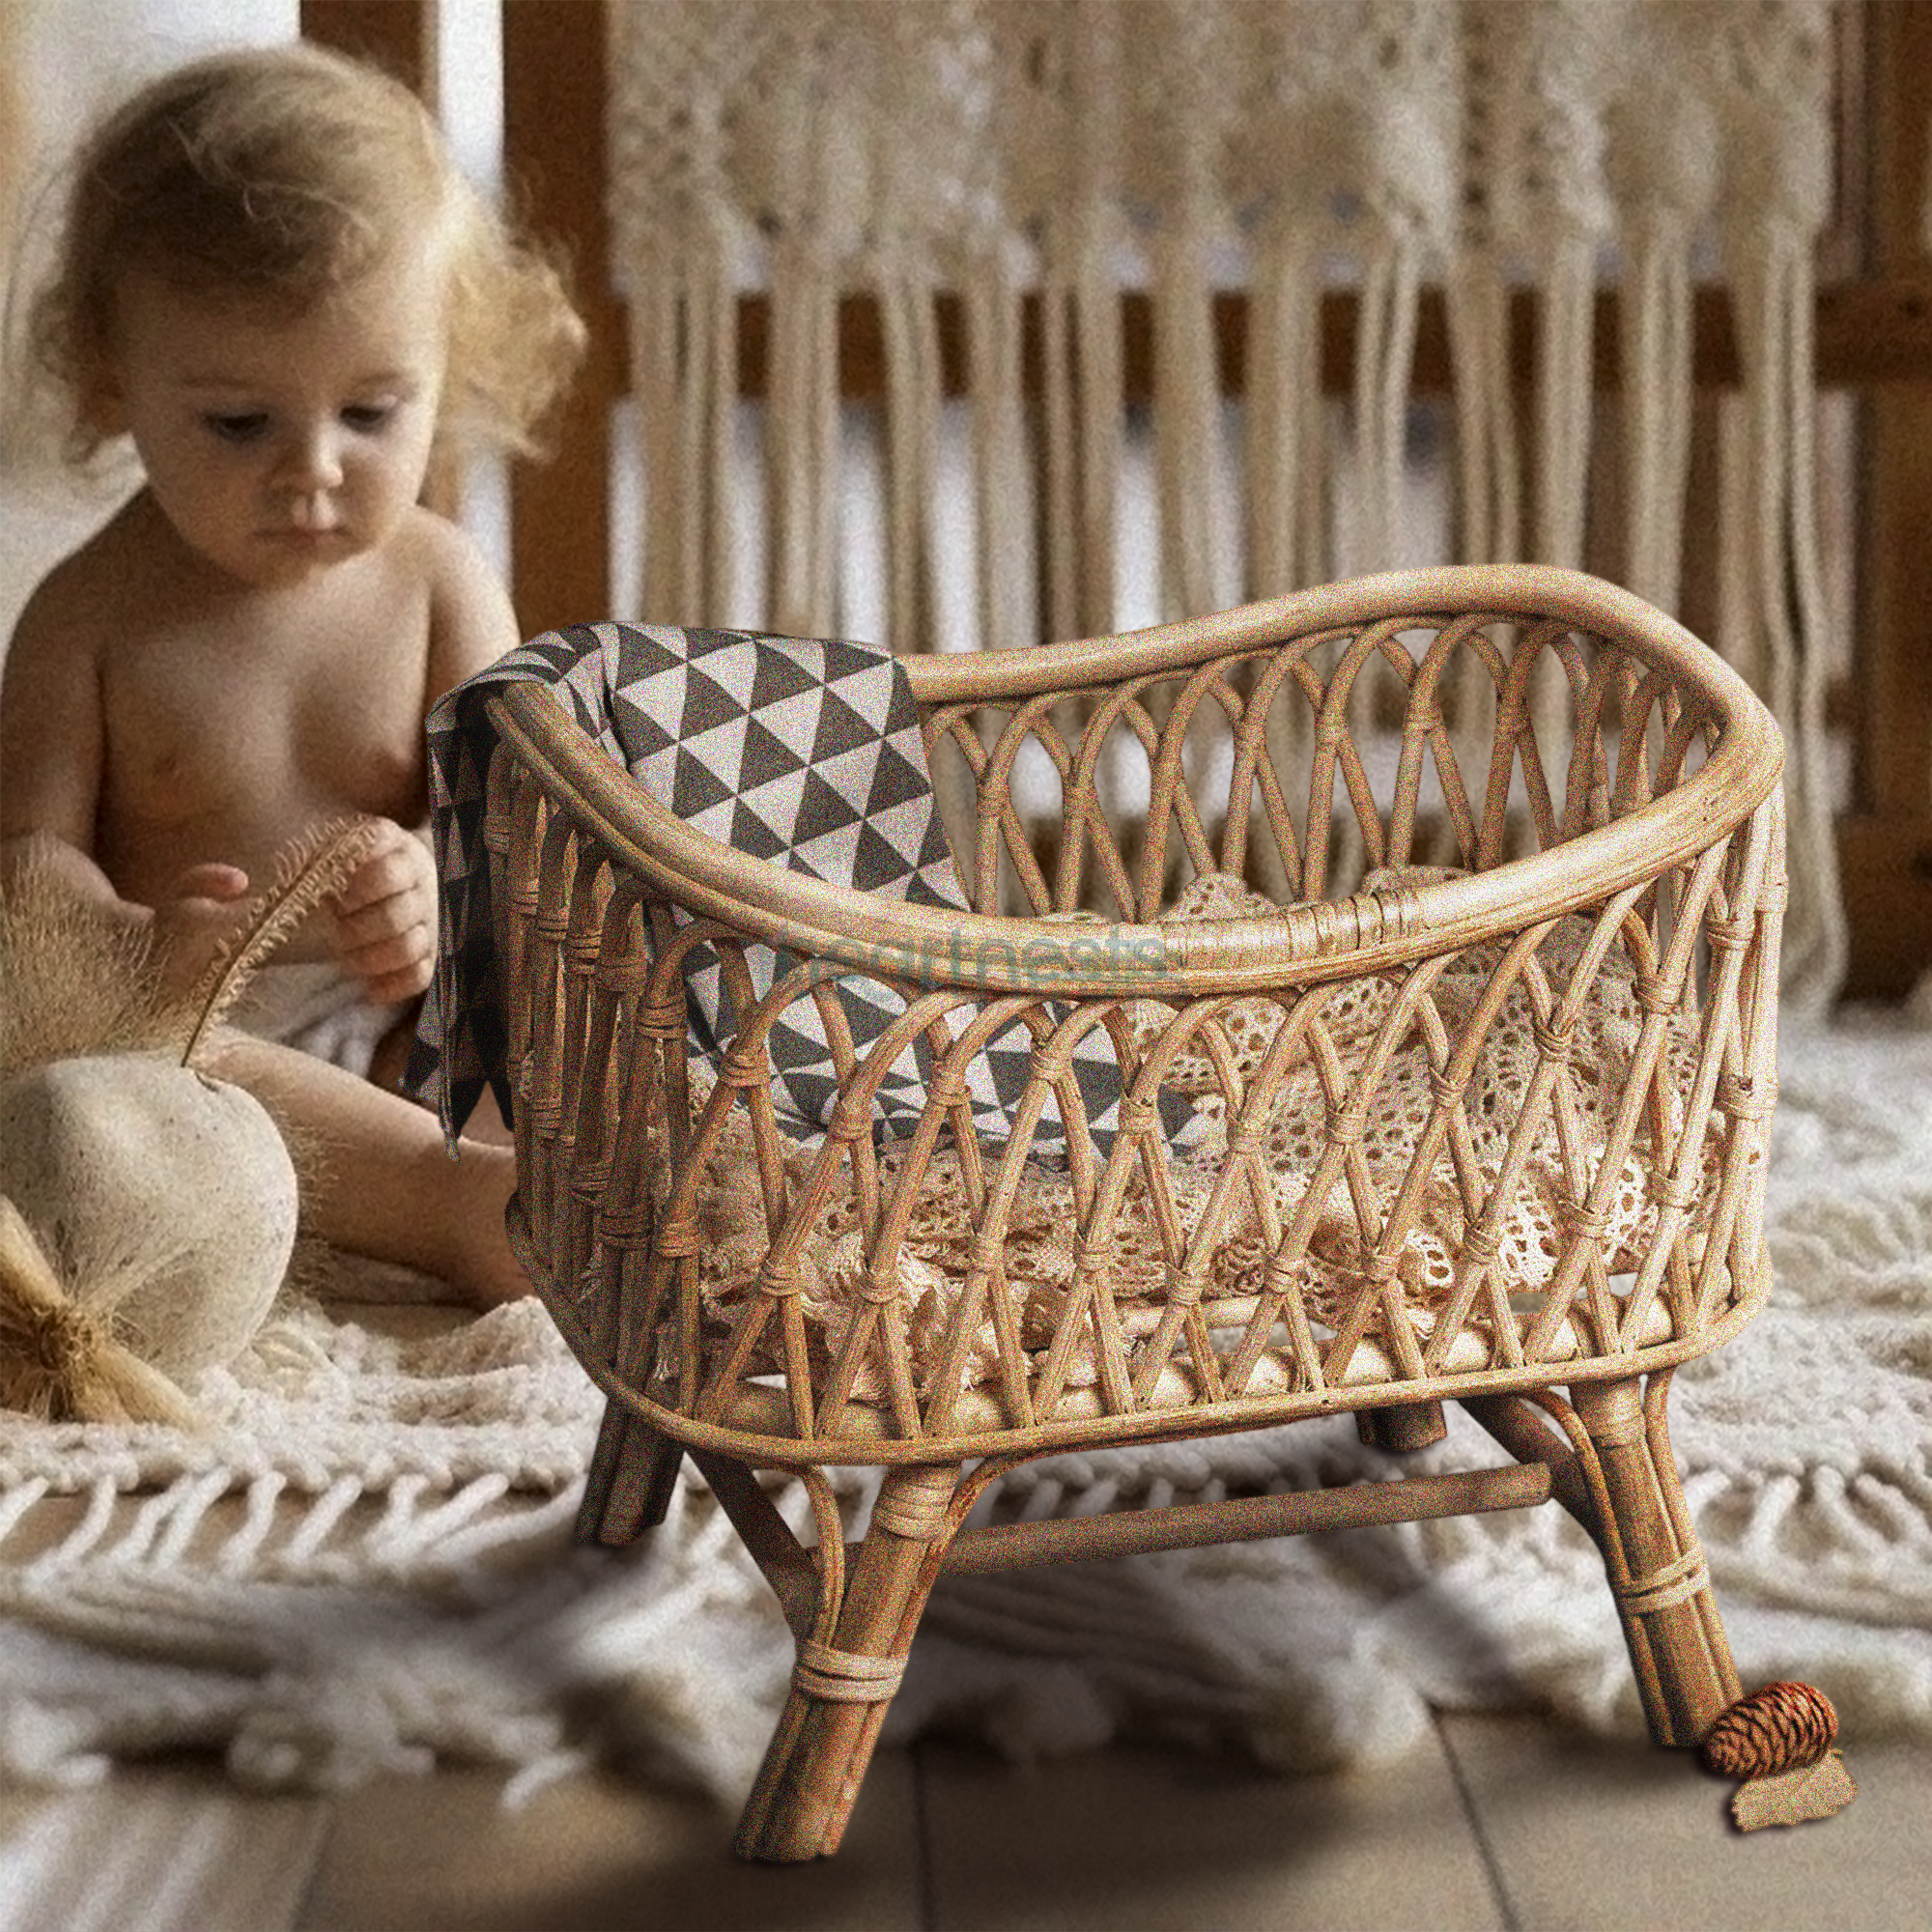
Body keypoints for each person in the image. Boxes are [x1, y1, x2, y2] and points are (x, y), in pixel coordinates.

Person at [0, 42, 586, 1308]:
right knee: (93, 1088)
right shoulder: (86, 616)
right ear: (115, 379)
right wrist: (144, 944)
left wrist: (435, 894)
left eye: (372, 413)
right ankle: (447, 1210)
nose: (312, 468)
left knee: (605, 992)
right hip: (190, 1050)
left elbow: (515, 841)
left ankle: (512, 1172)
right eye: (238, 423)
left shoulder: (440, 586)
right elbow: (29, 872)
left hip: (406, 1032)